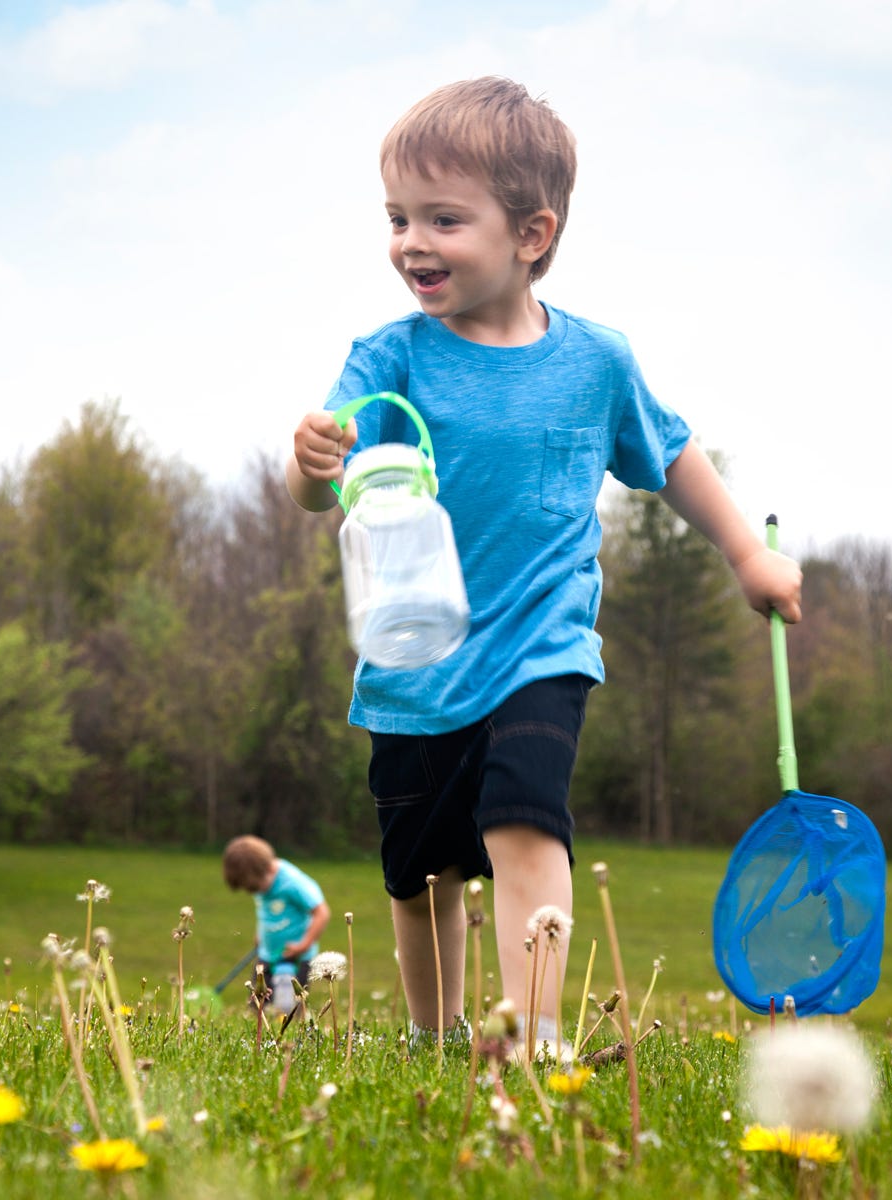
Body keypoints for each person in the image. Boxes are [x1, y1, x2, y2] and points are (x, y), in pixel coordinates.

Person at [285, 77, 803, 1054]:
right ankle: (436, 1036)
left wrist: (745, 555)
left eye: (444, 218)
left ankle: (535, 1030)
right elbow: (326, 485)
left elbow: (672, 455)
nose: (411, 242)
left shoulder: (596, 363)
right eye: (397, 217)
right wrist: (310, 470)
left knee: (527, 820)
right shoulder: (388, 358)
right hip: (413, 658)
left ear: (531, 234)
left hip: (541, 646)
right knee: (422, 871)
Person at [222, 835, 331, 1012]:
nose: (254, 892)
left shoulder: (292, 883)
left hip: (296, 958)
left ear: (267, 870)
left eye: (254, 888)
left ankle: (291, 1037)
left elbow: (321, 912)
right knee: (258, 1006)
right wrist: (261, 934)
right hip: (266, 955)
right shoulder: (261, 881)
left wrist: (303, 945)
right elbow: (267, 911)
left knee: (290, 1008)